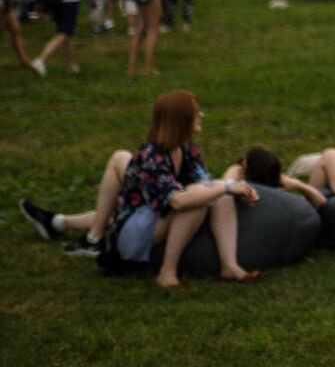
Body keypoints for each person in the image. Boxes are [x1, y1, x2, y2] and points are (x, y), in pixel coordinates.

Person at [19, 90, 263, 286]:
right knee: (199, 200)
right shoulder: (151, 155)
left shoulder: (188, 149)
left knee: (216, 192)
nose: (201, 115)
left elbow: (207, 184)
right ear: (180, 119)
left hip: (149, 217)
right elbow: (177, 202)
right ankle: (167, 272)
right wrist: (229, 186)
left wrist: (232, 183)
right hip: (132, 234)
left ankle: (229, 266)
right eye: (195, 111)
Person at [221, 147, 327, 209]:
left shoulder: (238, 199)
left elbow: (222, 192)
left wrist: (234, 169)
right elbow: (321, 203)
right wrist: (298, 184)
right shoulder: (286, 200)